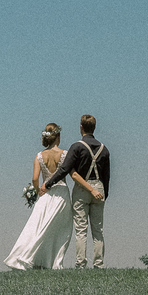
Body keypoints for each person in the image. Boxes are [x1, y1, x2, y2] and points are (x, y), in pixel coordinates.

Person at [39, 114, 109, 268]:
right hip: (99, 189)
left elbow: (64, 169)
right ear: (94, 128)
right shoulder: (104, 149)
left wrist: (48, 184)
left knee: (81, 230)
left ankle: (81, 264)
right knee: (98, 230)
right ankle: (99, 264)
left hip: (82, 189)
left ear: (81, 127)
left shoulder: (76, 147)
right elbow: (107, 176)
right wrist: (104, 194)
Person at [3, 123, 74, 270]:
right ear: (58, 137)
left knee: (37, 226)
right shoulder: (65, 154)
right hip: (61, 194)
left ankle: (32, 258)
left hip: (46, 194)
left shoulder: (39, 156)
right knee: (60, 230)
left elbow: (35, 178)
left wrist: (37, 191)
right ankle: (54, 262)